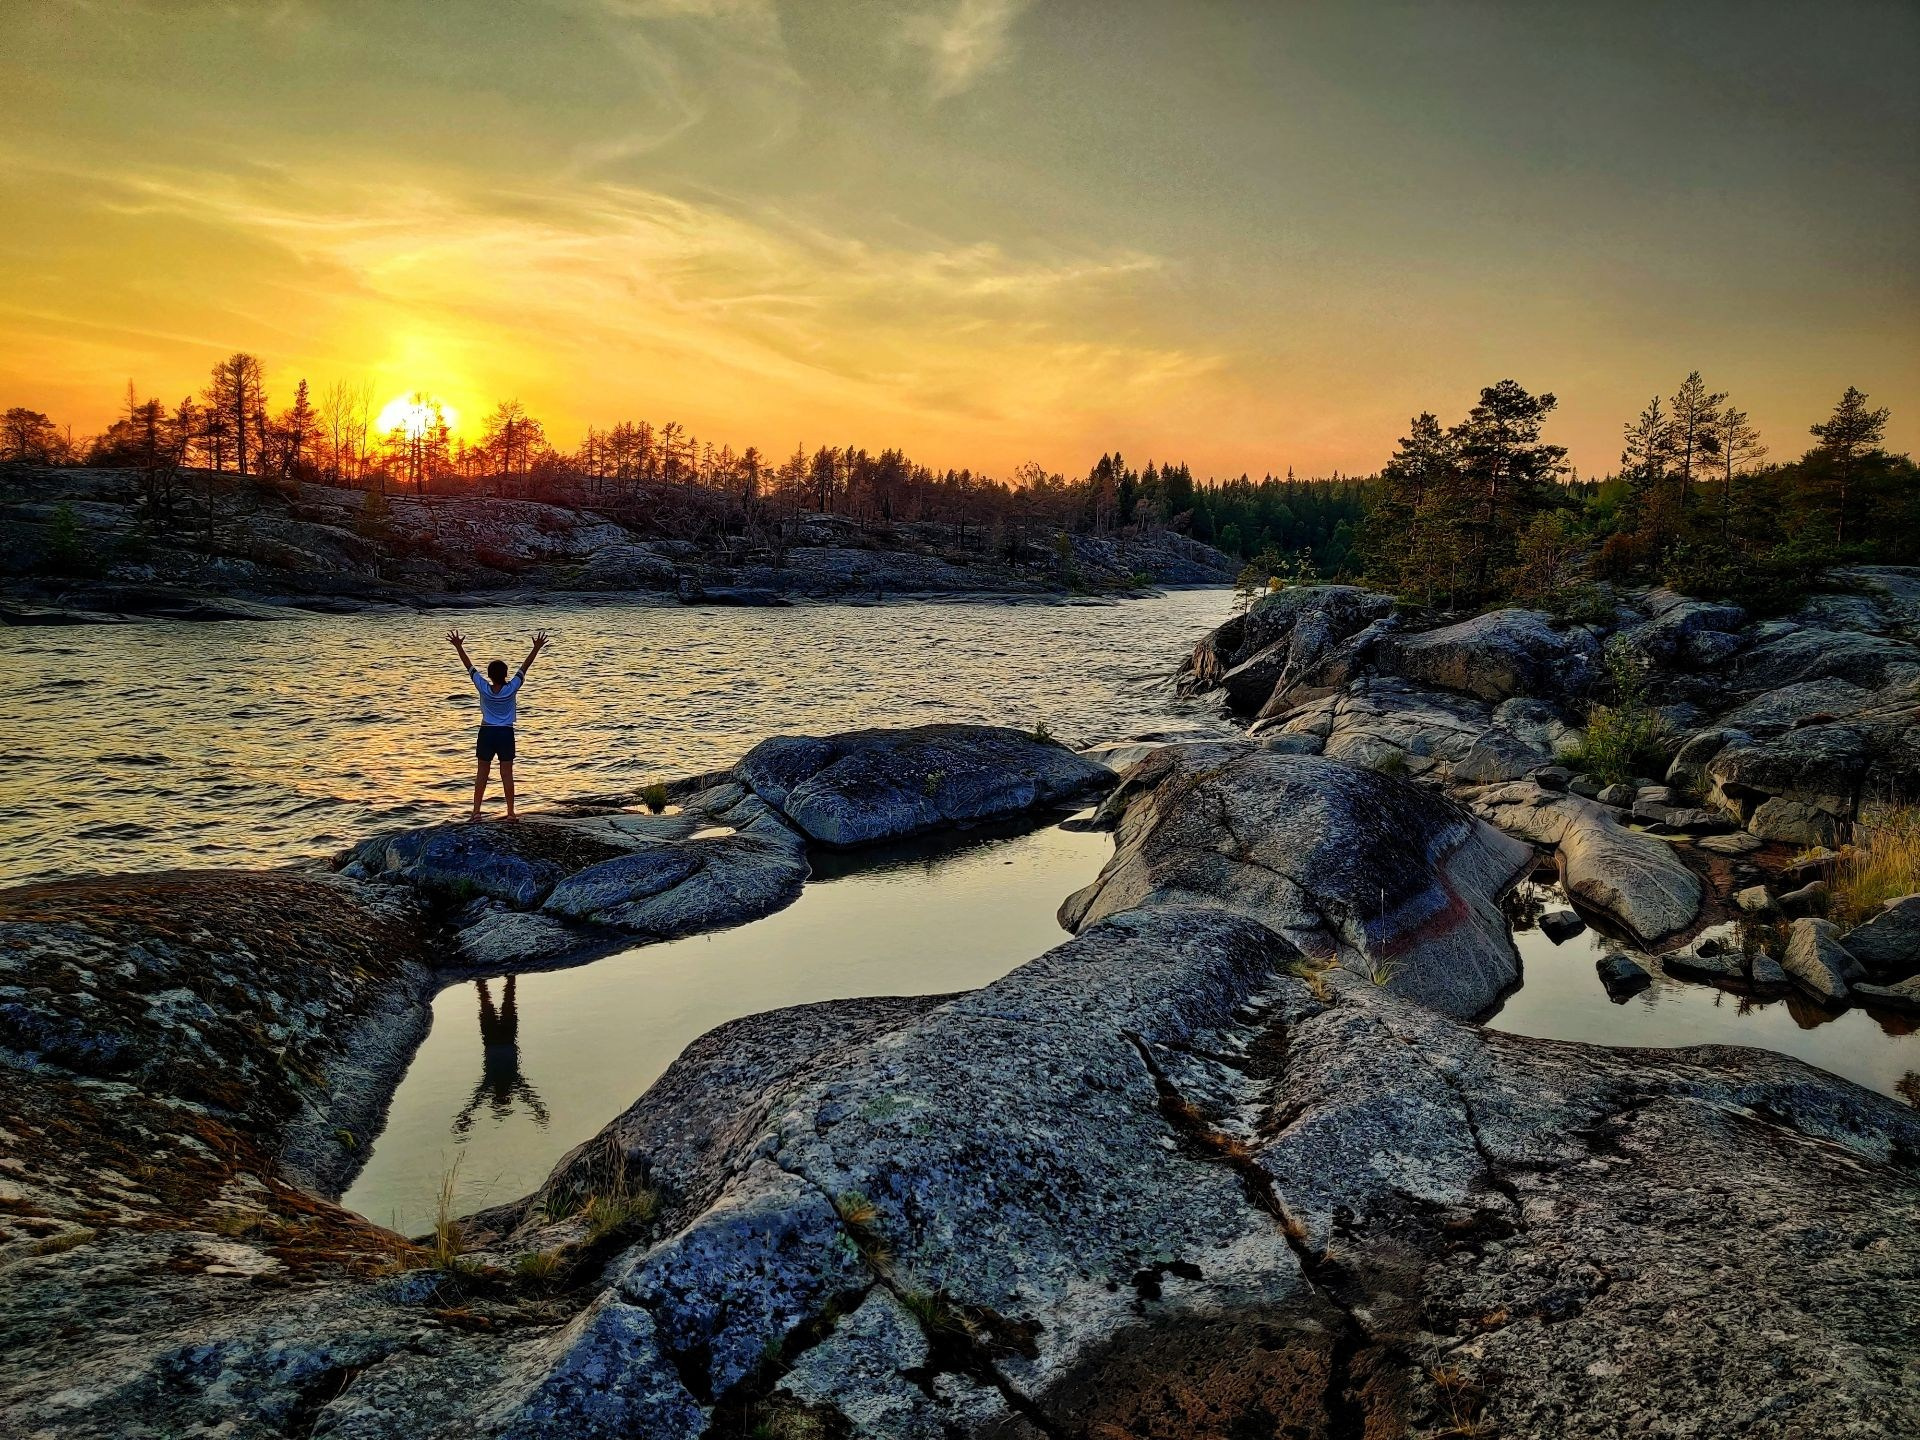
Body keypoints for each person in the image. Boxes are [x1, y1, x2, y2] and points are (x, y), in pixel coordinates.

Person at [447, 628, 548, 822]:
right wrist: (536, 647)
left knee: (482, 774)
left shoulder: (483, 687)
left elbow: (469, 667)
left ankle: (476, 812)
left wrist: (459, 646)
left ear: (490, 675)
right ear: (505, 674)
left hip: (486, 733)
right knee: (506, 774)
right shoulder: (511, 688)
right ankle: (510, 813)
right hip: (505, 734)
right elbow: (525, 667)